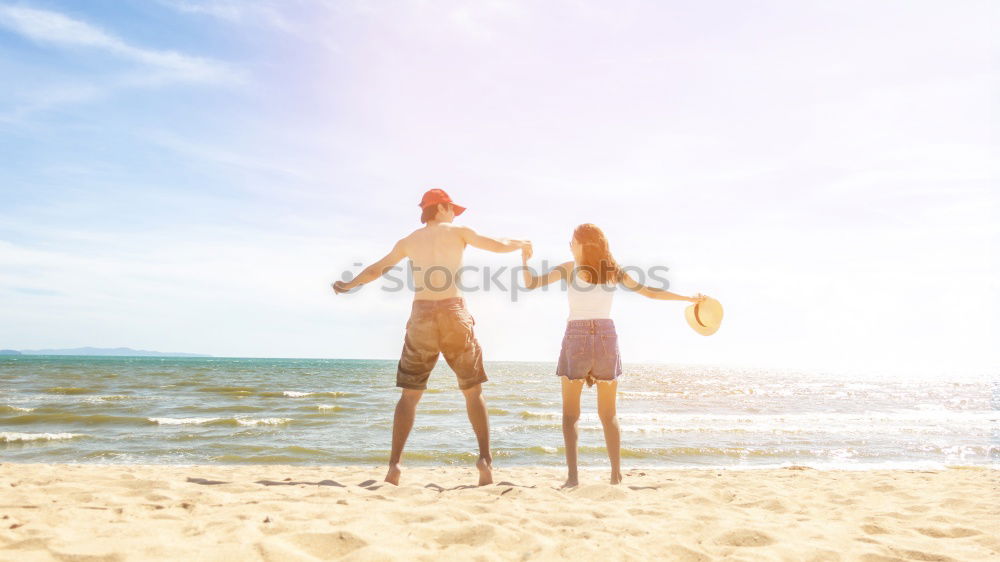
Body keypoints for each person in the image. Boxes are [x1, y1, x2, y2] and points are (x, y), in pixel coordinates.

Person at [333, 189, 530, 486]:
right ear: (441, 208)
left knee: (410, 395)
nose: (454, 214)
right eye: (452, 208)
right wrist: (522, 244)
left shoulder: (409, 241)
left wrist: (349, 285)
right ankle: (485, 461)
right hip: (453, 310)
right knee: (473, 391)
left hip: (422, 314)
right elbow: (496, 244)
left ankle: (394, 466)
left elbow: (377, 269)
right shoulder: (459, 231)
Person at [520, 223, 705, 487]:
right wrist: (687, 298)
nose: (569, 246)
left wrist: (524, 261)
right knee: (609, 414)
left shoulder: (569, 268)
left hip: (577, 335)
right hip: (607, 336)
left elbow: (529, 284)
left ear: (582, 244)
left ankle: (573, 478)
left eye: (571, 241)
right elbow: (650, 292)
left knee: (571, 415)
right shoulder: (613, 271)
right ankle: (616, 476)